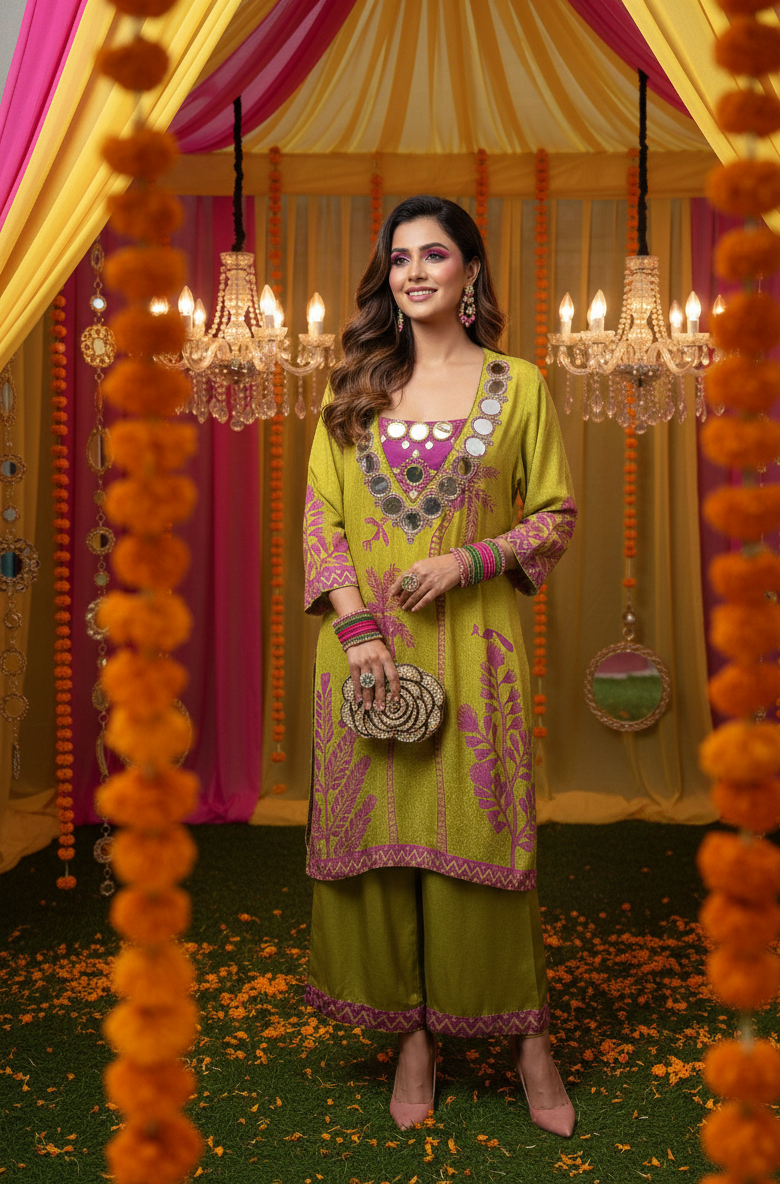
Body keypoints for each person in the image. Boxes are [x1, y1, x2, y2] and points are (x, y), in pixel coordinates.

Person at [302, 195, 577, 1135]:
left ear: (469, 271)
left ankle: (526, 1036)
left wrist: (469, 559)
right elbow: (322, 521)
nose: (414, 270)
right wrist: (358, 631)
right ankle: (411, 1037)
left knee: (483, 840)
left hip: (477, 648)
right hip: (365, 652)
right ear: (386, 276)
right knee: (382, 853)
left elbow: (554, 515)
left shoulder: (520, 385)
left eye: (435, 254)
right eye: (399, 257)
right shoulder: (353, 387)